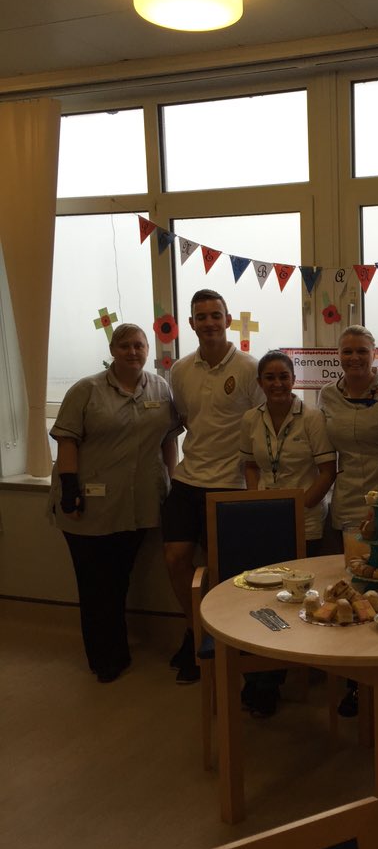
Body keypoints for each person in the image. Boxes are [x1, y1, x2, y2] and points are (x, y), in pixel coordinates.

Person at [50, 324, 180, 683]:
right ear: (113, 349)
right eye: (125, 345)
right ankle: (103, 658)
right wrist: (69, 489)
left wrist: (170, 483)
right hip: (86, 505)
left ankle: (117, 648)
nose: (133, 352)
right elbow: (67, 441)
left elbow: (168, 440)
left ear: (147, 349)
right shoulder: (87, 390)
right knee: (94, 584)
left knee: (118, 581)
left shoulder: (159, 387)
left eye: (139, 345)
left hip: (136, 504)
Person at [162, 289, 264, 684]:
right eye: (200, 316)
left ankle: (230, 642)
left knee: (226, 573)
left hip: (232, 485)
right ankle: (197, 633)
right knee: (175, 560)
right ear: (191, 324)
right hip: (188, 480)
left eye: (215, 315)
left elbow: (258, 425)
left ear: (227, 320)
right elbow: (186, 420)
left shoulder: (250, 367)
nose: (208, 323)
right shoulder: (180, 370)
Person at [319, 324, 378, 717]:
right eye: (347, 352)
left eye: (362, 351)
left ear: (375, 354)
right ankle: (357, 685)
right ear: (338, 356)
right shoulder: (327, 395)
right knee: (356, 591)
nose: (354, 358)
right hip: (347, 504)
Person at [238, 351, 337, 716]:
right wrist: (256, 503)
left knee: (294, 601)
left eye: (283, 376)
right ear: (260, 382)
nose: (277, 383)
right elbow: (250, 465)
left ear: (293, 380)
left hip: (305, 521)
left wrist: (296, 510)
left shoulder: (312, 418)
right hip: (264, 521)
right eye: (269, 377)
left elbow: (328, 471)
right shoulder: (251, 418)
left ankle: (272, 680)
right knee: (263, 600)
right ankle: (262, 679)